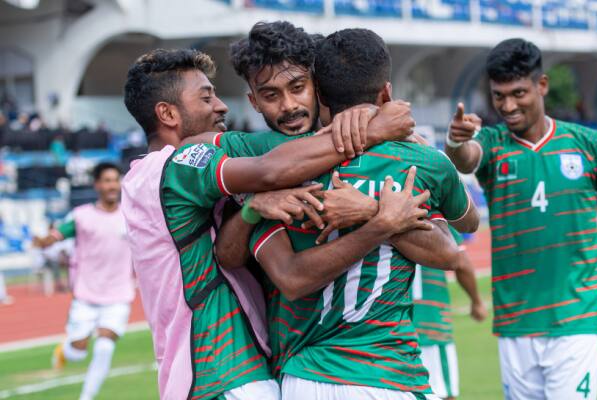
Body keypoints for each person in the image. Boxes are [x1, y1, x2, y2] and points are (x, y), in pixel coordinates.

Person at [121, 47, 418, 400]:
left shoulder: (147, 177)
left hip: (230, 373)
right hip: (222, 373)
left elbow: (226, 255)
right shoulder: (177, 165)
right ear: (168, 113)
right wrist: (373, 130)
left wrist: (253, 208)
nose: (221, 106)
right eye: (206, 97)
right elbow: (269, 170)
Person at [231, 28, 479, 400]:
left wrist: (369, 209)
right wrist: (380, 215)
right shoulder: (264, 164)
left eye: (298, 87)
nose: (288, 106)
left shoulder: (268, 164)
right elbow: (459, 239)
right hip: (379, 374)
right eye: (270, 95)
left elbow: (448, 251)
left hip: (309, 379)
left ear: (320, 89)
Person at [444, 38, 597, 400]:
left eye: (518, 92)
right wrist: (455, 143)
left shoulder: (590, 145)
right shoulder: (493, 142)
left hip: (578, 321)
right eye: (499, 96)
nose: (508, 105)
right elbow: (466, 157)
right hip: (516, 325)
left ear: (542, 85)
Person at [33, 162, 133, 400]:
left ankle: (86, 397)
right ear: (97, 184)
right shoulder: (81, 217)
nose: (112, 185)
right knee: (77, 353)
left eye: (115, 180)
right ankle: (65, 350)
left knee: (105, 347)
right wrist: (43, 241)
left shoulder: (131, 215)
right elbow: (57, 235)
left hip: (119, 295)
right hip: (86, 296)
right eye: (106, 180)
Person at [412, 226, 487, 400]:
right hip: (430, 325)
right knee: (443, 395)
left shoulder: (381, 218)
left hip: (389, 329)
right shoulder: (435, 220)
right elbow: (462, 263)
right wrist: (476, 301)